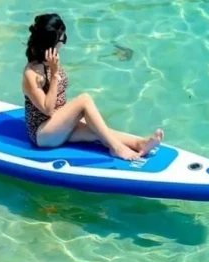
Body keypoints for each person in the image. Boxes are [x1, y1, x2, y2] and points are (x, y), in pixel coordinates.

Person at [22, 13, 163, 162]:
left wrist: (69, 117)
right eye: (62, 39)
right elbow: (48, 109)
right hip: (43, 133)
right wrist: (55, 74)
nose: (63, 43)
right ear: (51, 43)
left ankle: (139, 143)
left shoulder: (51, 61)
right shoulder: (31, 74)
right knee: (84, 100)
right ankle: (116, 148)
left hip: (58, 123)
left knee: (99, 131)